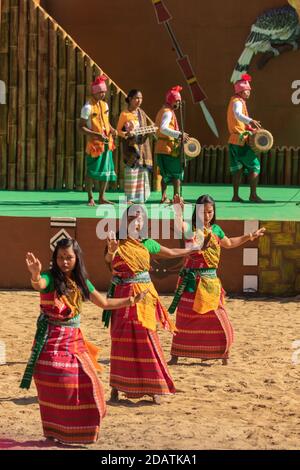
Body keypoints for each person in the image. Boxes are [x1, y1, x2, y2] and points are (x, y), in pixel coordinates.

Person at [21, 238, 147, 445]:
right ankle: (55, 433)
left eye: (69, 257)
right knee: (62, 387)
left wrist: (131, 300)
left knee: (91, 384)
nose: (64, 262)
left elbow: (104, 302)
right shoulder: (50, 278)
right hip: (51, 343)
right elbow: (39, 284)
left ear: (77, 258)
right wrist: (35, 274)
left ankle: (79, 432)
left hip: (74, 342)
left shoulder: (81, 282)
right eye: (60, 257)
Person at [103, 204, 202, 404]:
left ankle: (154, 387)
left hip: (145, 296)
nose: (136, 221)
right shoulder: (116, 242)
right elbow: (109, 263)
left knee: (147, 337)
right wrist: (111, 252)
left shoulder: (146, 243)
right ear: (126, 220)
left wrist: (192, 249)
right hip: (123, 296)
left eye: (140, 218)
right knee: (121, 341)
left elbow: (171, 252)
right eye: (132, 218)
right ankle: (116, 387)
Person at [168, 194, 266, 365]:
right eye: (203, 212)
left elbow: (229, 243)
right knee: (184, 318)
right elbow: (180, 226)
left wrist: (250, 235)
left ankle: (223, 354)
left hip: (211, 282)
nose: (207, 216)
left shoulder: (217, 230)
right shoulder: (191, 228)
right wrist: (178, 211)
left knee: (218, 318)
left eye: (210, 212)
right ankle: (176, 354)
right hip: (192, 282)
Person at [79, 75, 117, 206]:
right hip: (94, 145)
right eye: (100, 91)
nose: (103, 94)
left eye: (104, 91)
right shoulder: (87, 107)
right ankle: (90, 197)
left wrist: (112, 130)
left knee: (106, 170)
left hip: (107, 143)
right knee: (91, 171)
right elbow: (81, 127)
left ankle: (102, 197)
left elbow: (106, 121)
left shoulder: (105, 105)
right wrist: (96, 134)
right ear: (94, 92)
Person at [227, 73, 263, 203]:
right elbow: (238, 115)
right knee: (254, 166)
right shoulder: (237, 102)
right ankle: (253, 195)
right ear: (242, 91)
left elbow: (238, 121)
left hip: (233, 141)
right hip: (241, 141)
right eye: (248, 90)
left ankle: (235, 196)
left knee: (237, 169)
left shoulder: (234, 100)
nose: (249, 93)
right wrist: (251, 120)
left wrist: (251, 128)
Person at [117, 89, 153, 204]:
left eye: (141, 98)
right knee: (131, 172)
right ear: (130, 99)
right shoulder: (124, 114)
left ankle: (141, 198)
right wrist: (127, 135)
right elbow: (118, 131)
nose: (139, 100)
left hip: (142, 147)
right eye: (136, 98)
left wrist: (149, 131)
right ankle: (129, 198)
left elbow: (145, 128)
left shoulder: (141, 113)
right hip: (131, 148)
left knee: (142, 172)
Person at [155, 86, 189, 204]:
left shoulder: (163, 110)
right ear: (170, 100)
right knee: (176, 173)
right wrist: (179, 134)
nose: (179, 103)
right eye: (176, 100)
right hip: (168, 148)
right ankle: (176, 198)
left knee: (165, 174)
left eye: (179, 100)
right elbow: (163, 129)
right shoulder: (168, 112)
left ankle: (164, 197)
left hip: (162, 146)